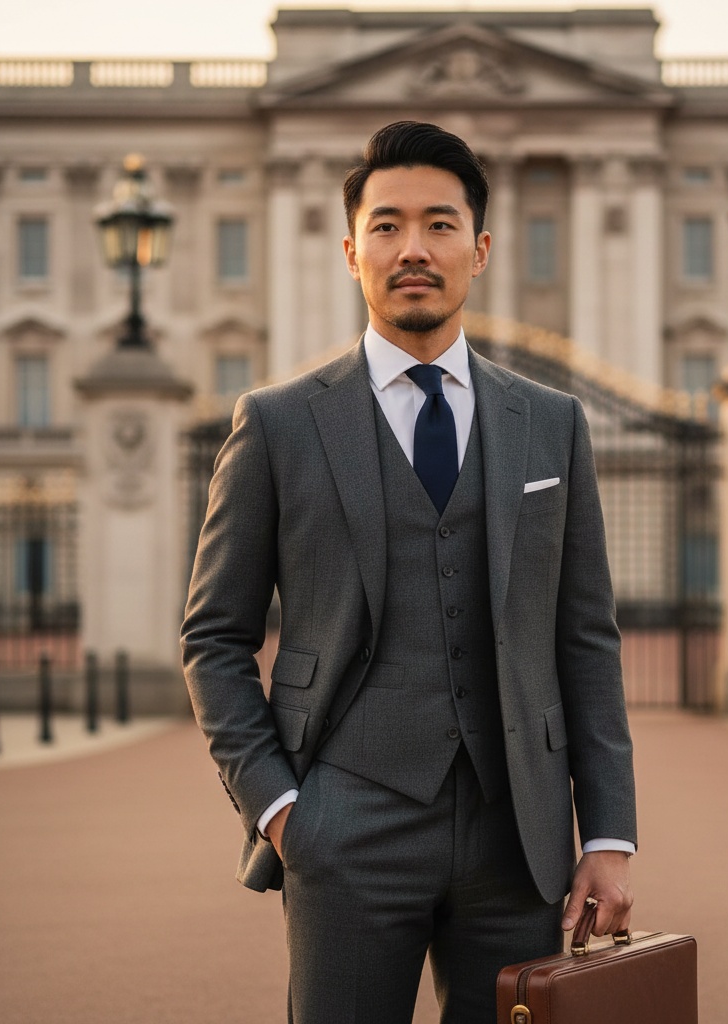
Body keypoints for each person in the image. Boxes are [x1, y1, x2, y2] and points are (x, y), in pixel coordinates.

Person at [182, 120, 636, 1024]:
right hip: (342, 826)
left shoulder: (554, 423)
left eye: (438, 223)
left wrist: (610, 835)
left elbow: (583, 637)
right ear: (352, 251)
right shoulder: (275, 425)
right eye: (386, 226)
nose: (413, 249)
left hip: (521, 836)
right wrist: (281, 812)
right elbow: (214, 638)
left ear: (481, 248)